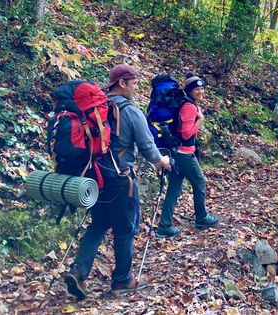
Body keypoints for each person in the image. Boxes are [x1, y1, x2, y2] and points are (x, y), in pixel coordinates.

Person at [64, 64, 171, 300]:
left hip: (94, 177)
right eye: (133, 82)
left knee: (98, 225)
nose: (136, 86)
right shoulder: (131, 112)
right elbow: (147, 147)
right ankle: (122, 280)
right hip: (121, 179)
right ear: (121, 83)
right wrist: (162, 161)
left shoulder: (94, 109)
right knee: (125, 230)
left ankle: (78, 272)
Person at [156, 72, 220, 238]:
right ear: (189, 91)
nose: (200, 92)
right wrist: (200, 120)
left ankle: (164, 226)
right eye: (196, 89)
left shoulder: (187, 104)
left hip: (176, 152)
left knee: (174, 188)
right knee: (200, 182)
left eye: (202, 88)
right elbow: (185, 134)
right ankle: (202, 217)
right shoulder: (189, 107)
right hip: (184, 154)